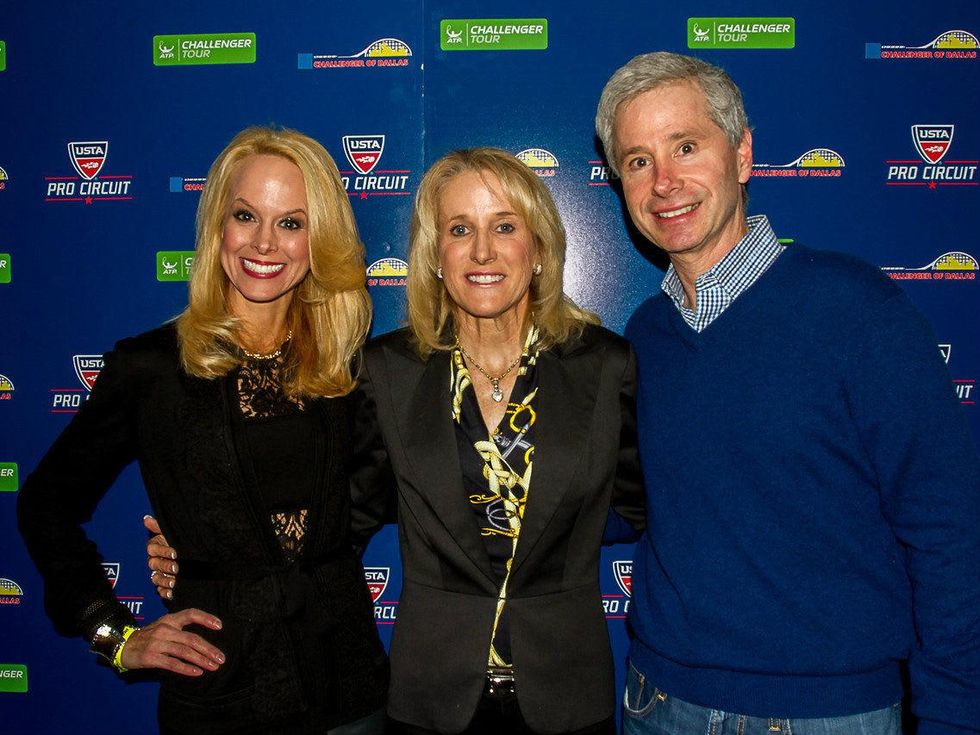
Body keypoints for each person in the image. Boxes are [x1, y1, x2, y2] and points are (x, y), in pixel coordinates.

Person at [150, 147, 646, 734]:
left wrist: (565, 527)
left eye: (504, 227)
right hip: (429, 697)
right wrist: (215, 550)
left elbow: (633, 506)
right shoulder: (386, 371)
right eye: (459, 229)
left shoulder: (605, 365)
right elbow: (336, 522)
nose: (482, 251)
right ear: (435, 254)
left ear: (537, 248)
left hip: (569, 694)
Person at [595, 51, 980, 735]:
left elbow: (950, 529)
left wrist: (953, 713)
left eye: (686, 146)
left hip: (830, 714)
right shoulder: (645, 335)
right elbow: (641, 500)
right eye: (637, 160)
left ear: (742, 154)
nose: (664, 182)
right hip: (660, 702)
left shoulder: (859, 311)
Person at [18, 127, 388, 735]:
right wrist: (113, 634)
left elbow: (381, 500)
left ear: (319, 239)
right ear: (218, 224)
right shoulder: (152, 369)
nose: (265, 242)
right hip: (222, 692)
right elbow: (45, 504)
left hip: (349, 689)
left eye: (291, 223)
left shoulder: (349, 368)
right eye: (246, 215)